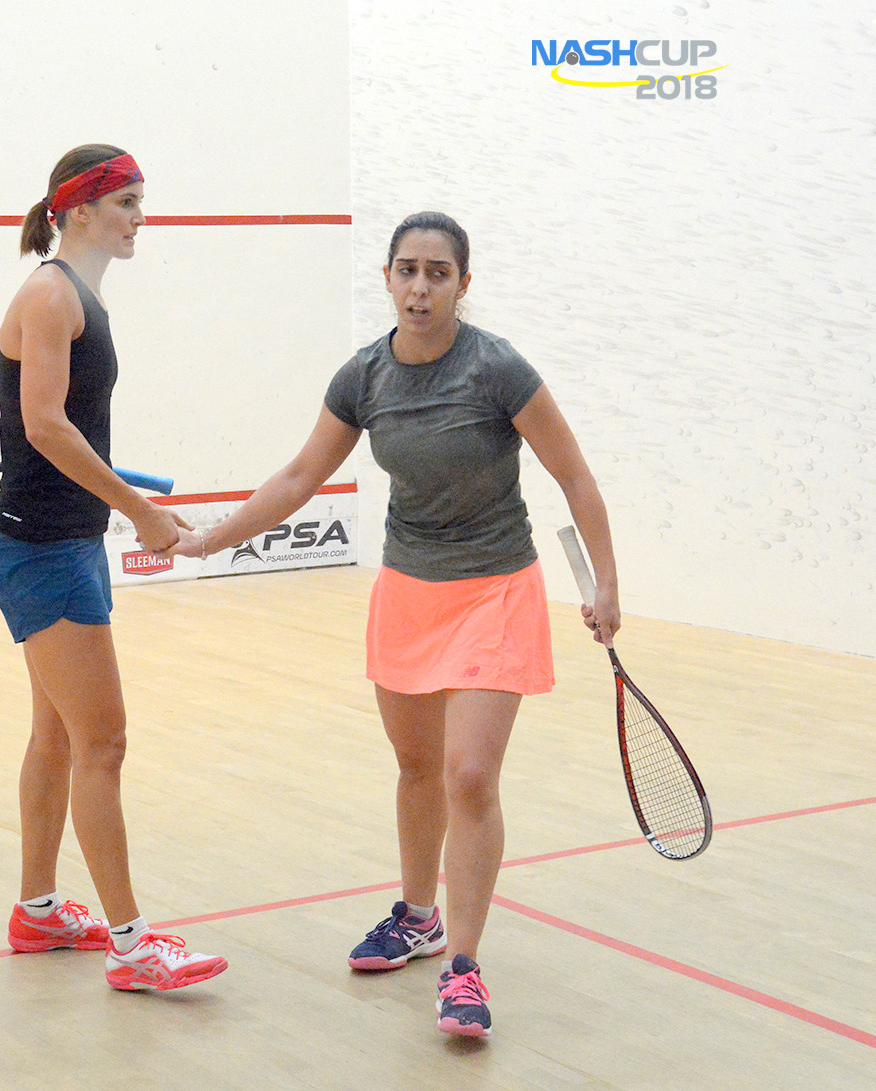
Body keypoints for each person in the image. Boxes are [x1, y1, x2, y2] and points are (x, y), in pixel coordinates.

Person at [162, 211, 619, 1034]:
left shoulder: (498, 369)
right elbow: (299, 476)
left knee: (468, 774)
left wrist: (608, 581)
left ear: (463, 285)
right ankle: (417, 915)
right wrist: (208, 538)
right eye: (407, 270)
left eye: (438, 273)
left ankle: (464, 966)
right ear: (387, 278)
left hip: (495, 590)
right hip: (409, 590)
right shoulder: (364, 377)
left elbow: (575, 475)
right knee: (416, 768)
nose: (420, 287)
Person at [0, 144, 227, 992]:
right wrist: (140, 510)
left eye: (140, 202)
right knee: (104, 741)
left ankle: (38, 910)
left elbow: (63, 432)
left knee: (58, 734)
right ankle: (132, 946)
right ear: (79, 210)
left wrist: (122, 499)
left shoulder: (78, 298)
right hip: (42, 548)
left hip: (65, 540)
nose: (139, 218)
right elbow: (45, 426)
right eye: (126, 202)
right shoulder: (50, 296)